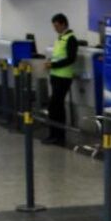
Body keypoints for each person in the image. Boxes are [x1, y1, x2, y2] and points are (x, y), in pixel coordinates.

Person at [43, 13, 77, 147]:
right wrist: (50, 63)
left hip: (64, 77)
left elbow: (70, 59)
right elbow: (58, 56)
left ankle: (58, 135)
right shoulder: (60, 38)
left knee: (55, 106)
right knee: (55, 106)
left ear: (63, 24)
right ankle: (54, 134)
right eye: (54, 26)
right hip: (55, 76)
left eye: (57, 26)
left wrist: (53, 64)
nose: (55, 28)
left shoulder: (71, 39)